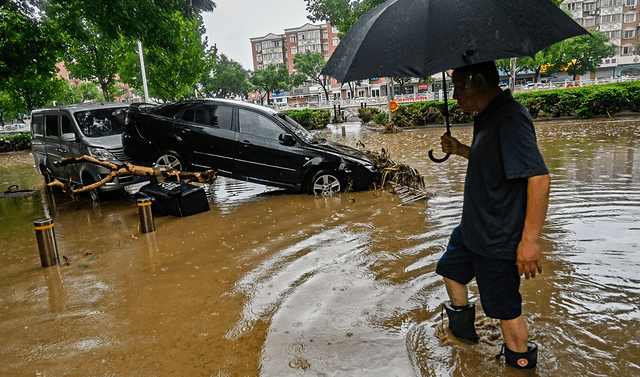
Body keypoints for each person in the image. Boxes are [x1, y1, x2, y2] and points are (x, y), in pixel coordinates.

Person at [435, 61, 550, 370]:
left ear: (480, 81)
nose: (456, 96)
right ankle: (464, 339)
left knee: (504, 309)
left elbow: (538, 178)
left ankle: (520, 365)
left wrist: (530, 240)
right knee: (450, 270)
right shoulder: (486, 116)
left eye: (460, 87)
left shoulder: (510, 117)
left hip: (497, 236)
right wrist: (461, 150)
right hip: (472, 229)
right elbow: (494, 160)